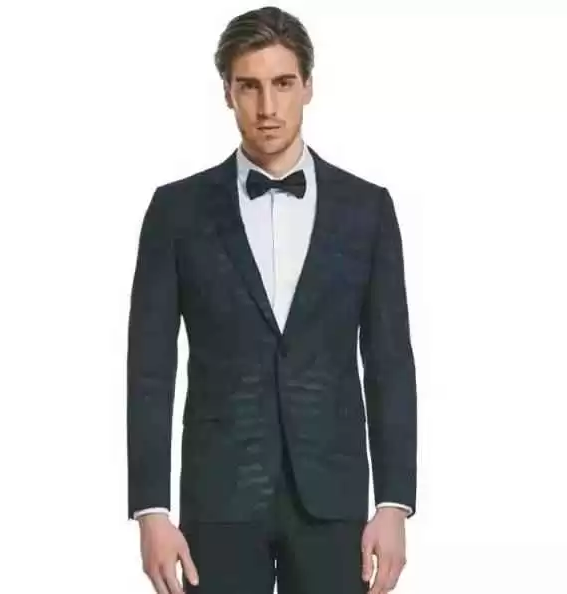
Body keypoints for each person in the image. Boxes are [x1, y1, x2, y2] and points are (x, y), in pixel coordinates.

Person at [127, 6, 417, 594]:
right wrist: (151, 510)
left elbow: (389, 362)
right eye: (249, 86)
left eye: (283, 83)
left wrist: (394, 502)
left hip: (334, 498)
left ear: (308, 85)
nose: (267, 107)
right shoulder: (176, 212)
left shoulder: (367, 210)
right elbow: (150, 368)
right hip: (219, 496)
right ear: (226, 93)